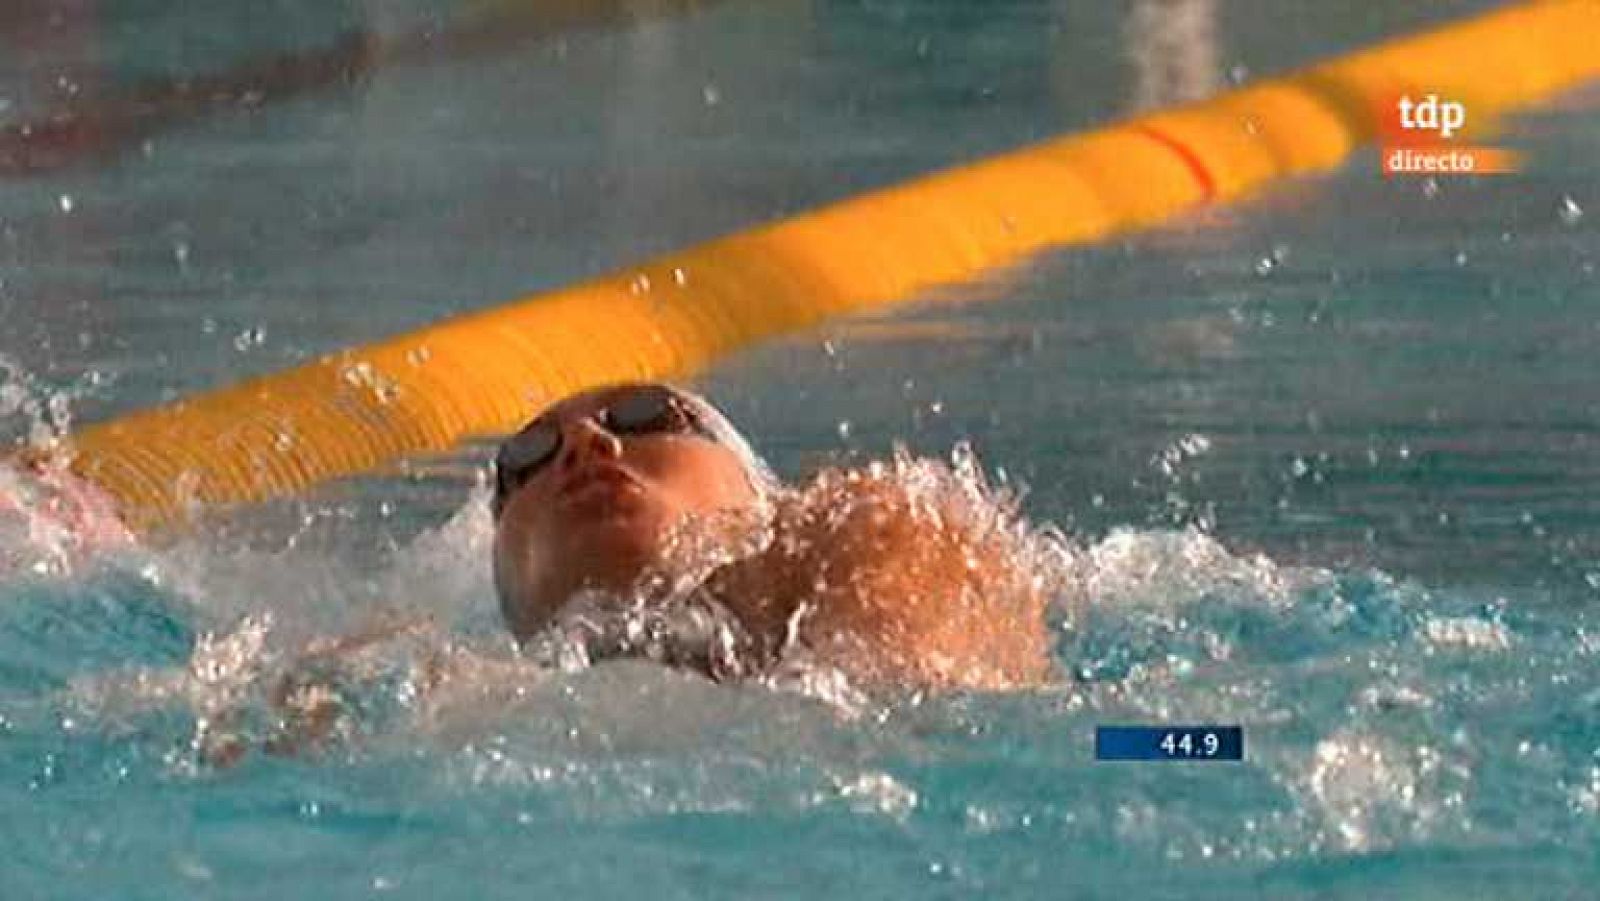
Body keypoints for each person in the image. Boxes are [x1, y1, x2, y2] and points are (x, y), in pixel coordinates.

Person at [488, 381, 1056, 691]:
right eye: (530, 455)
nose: (584, 440)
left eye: (645, 413)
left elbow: (930, 703)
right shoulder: (469, 695)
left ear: (757, 493)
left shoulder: (857, 533)